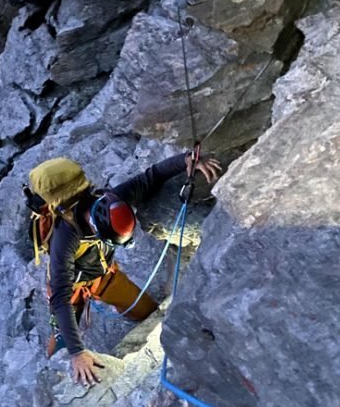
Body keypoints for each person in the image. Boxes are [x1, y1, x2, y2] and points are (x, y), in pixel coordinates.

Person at [46, 150, 221, 385]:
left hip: (104, 276)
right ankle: (58, 347)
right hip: (73, 286)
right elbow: (60, 296)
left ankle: (123, 315)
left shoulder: (113, 198)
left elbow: (150, 177)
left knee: (147, 312)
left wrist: (185, 160)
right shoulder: (65, 238)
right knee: (64, 341)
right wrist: (78, 353)